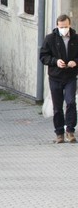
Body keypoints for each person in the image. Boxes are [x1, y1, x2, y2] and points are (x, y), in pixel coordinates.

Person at [39, 15, 78, 143]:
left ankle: (70, 130)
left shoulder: (75, 38)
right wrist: (55, 62)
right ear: (57, 26)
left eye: (66, 27)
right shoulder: (50, 39)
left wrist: (75, 62)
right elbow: (43, 56)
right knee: (57, 106)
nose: (64, 29)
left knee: (71, 102)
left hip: (71, 76)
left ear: (70, 25)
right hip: (55, 76)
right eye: (61, 27)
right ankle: (59, 133)